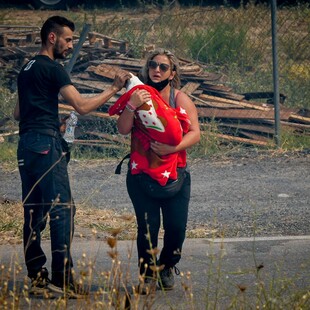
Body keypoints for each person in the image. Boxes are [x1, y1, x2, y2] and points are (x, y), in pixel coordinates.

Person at [13, 15, 130, 298]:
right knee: (63, 209)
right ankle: (62, 278)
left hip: (26, 145)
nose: (70, 45)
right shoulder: (53, 69)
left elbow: (18, 113)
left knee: (34, 211)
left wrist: (51, 120)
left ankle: (37, 277)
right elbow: (81, 105)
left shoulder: (26, 69)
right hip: (45, 146)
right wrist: (113, 89)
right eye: (67, 39)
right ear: (52, 38)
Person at [115, 49, 200, 293]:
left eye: (163, 67)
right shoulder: (138, 94)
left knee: (176, 228)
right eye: (153, 65)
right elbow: (123, 129)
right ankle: (148, 274)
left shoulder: (179, 98)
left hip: (176, 174)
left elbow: (195, 133)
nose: (157, 69)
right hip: (141, 172)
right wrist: (131, 105)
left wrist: (173, 146)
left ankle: (167, 266)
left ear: (172, 73)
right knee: (148, 227)